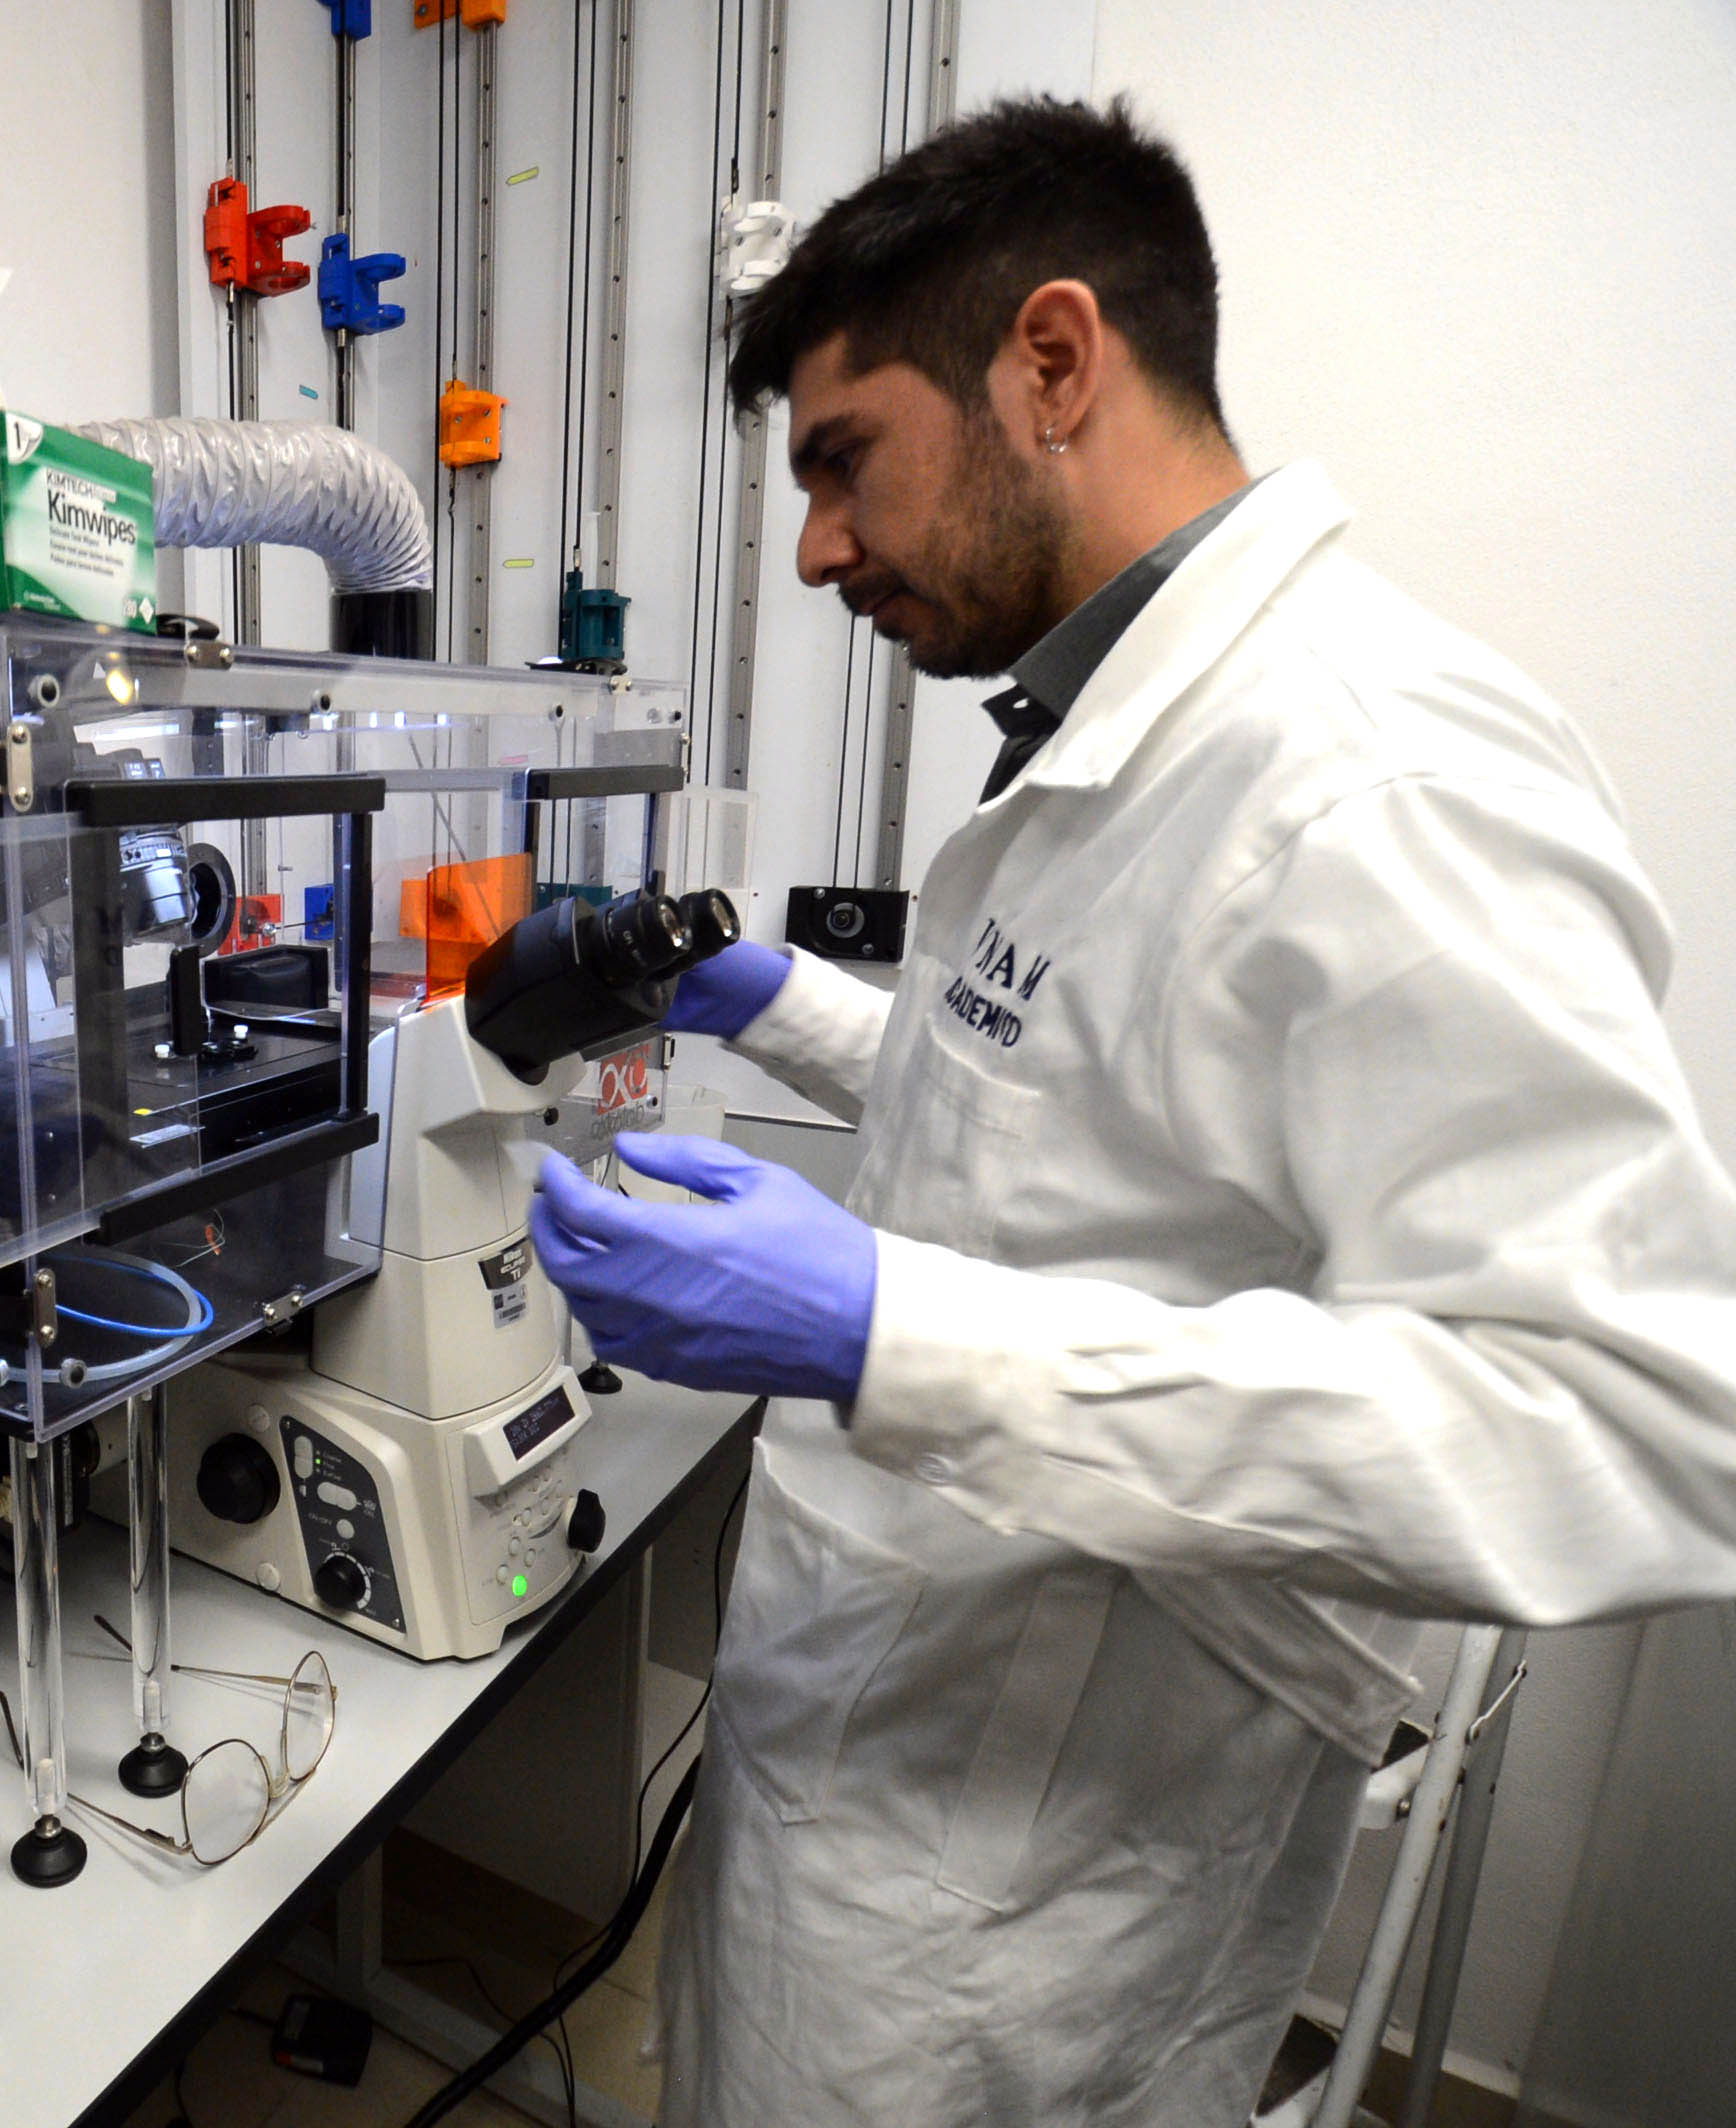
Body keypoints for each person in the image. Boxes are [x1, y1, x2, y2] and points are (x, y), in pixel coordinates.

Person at [525, 97, 1736, 2127]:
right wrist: (768, 997)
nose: (814, 548)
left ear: (1053, 363)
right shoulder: (1125, 726)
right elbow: (1077, 1122)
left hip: (1028, 1885)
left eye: (843, 459)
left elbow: (1628, 1421)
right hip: (876, 1736)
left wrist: (883, 1331)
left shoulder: (1375, 775)